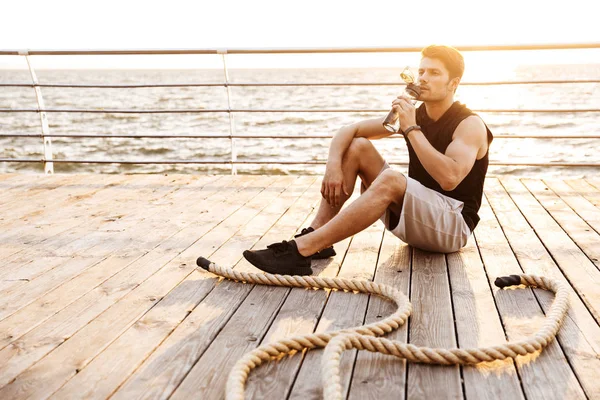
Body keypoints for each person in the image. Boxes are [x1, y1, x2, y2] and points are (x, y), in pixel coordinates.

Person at [243, 44, 493, 276]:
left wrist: (411, 129)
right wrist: (333, 167)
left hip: (451, 228)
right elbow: (349, 130)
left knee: (393, 180)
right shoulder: (416, 116)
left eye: (435, 73)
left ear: (454, 83)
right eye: (421, 71)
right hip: (417, 219)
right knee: (358, 147)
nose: (424, 78)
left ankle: (300, 249)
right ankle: (317, 238)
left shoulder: (469, 124)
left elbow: (450, 178)